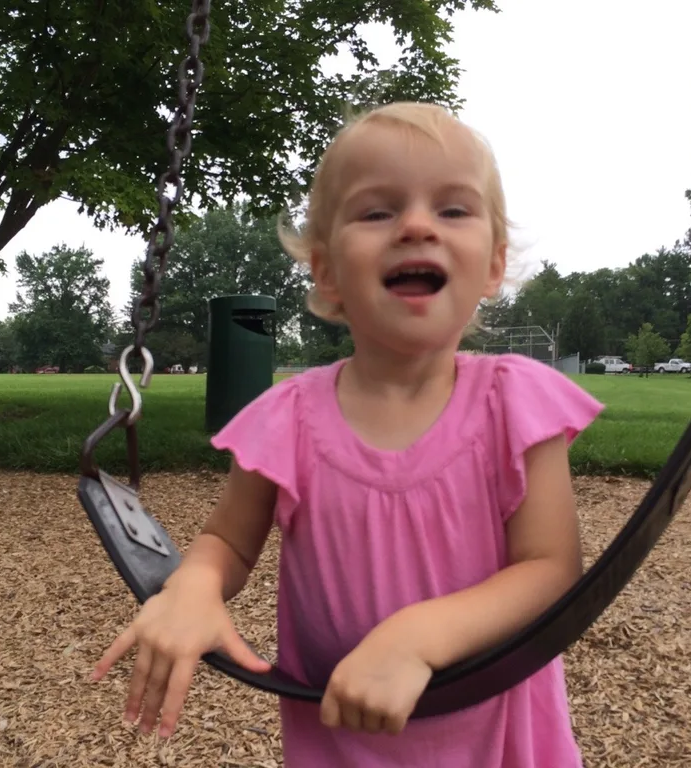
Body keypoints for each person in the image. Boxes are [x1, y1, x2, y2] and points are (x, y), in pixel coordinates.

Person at [91, 101, 605, 766]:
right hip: (345, 745)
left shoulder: (514, 403)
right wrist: (193, 587)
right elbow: (226, 542)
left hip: (498, 740)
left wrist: (418, 637)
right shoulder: (290, 419)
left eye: (452, 210)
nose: (417, 225)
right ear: (328, 271)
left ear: (493, 265)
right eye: (377, 211)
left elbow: (550, 569)